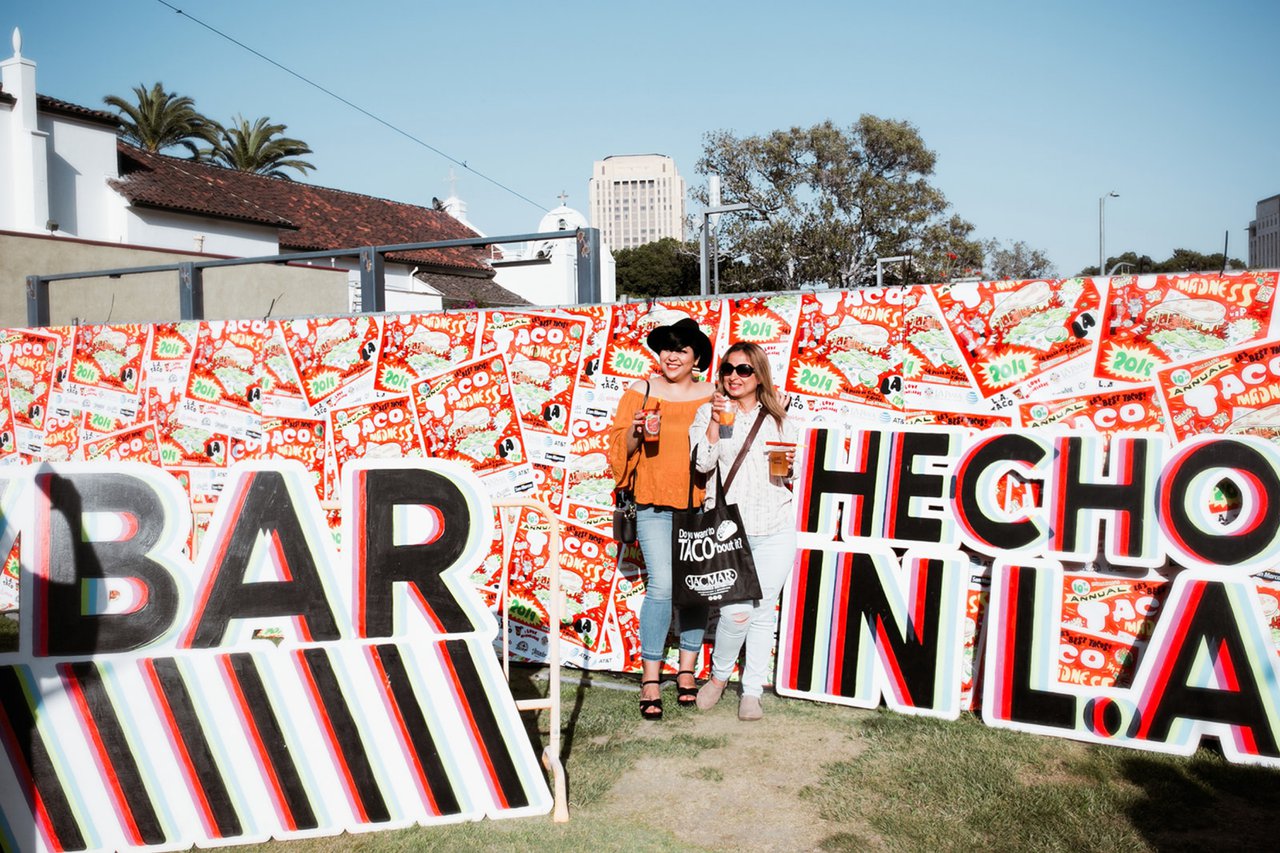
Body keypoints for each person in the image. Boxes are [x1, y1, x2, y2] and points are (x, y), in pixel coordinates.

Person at [608, 317, 715, 720]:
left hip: (699, 504)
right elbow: (620, 448)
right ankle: (650, 675)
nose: (672, 356)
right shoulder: (641, 391)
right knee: (663, 587)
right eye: (667, 348)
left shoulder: (711, 394)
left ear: (696, 357)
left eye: (682, 349)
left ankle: (687, 670)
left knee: (694, 587)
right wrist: (636, 431)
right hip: (652, 501)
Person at [689, 341, 798, 721]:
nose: (734, 376)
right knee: (736, 611)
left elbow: (788, 475)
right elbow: (702, 464)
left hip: (776, 524)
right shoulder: (707, 413)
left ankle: (752, 690)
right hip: (729, 529)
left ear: (759, 376)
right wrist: (718, 421)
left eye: (744, 370)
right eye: (728, 369)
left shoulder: (778, 418)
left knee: (764, 609)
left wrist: (792, 466)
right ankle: (719, 678)